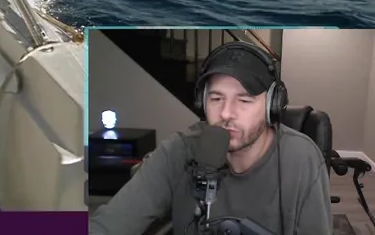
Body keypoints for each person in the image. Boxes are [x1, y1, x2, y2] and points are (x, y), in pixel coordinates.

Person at [89, 41, 332, 235]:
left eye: (244, 100)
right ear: (202, 102)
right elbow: (108, 224)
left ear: (272, 106)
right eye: (216, 99)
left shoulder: (301, 159)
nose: (226, 113)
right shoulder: (179, 150)